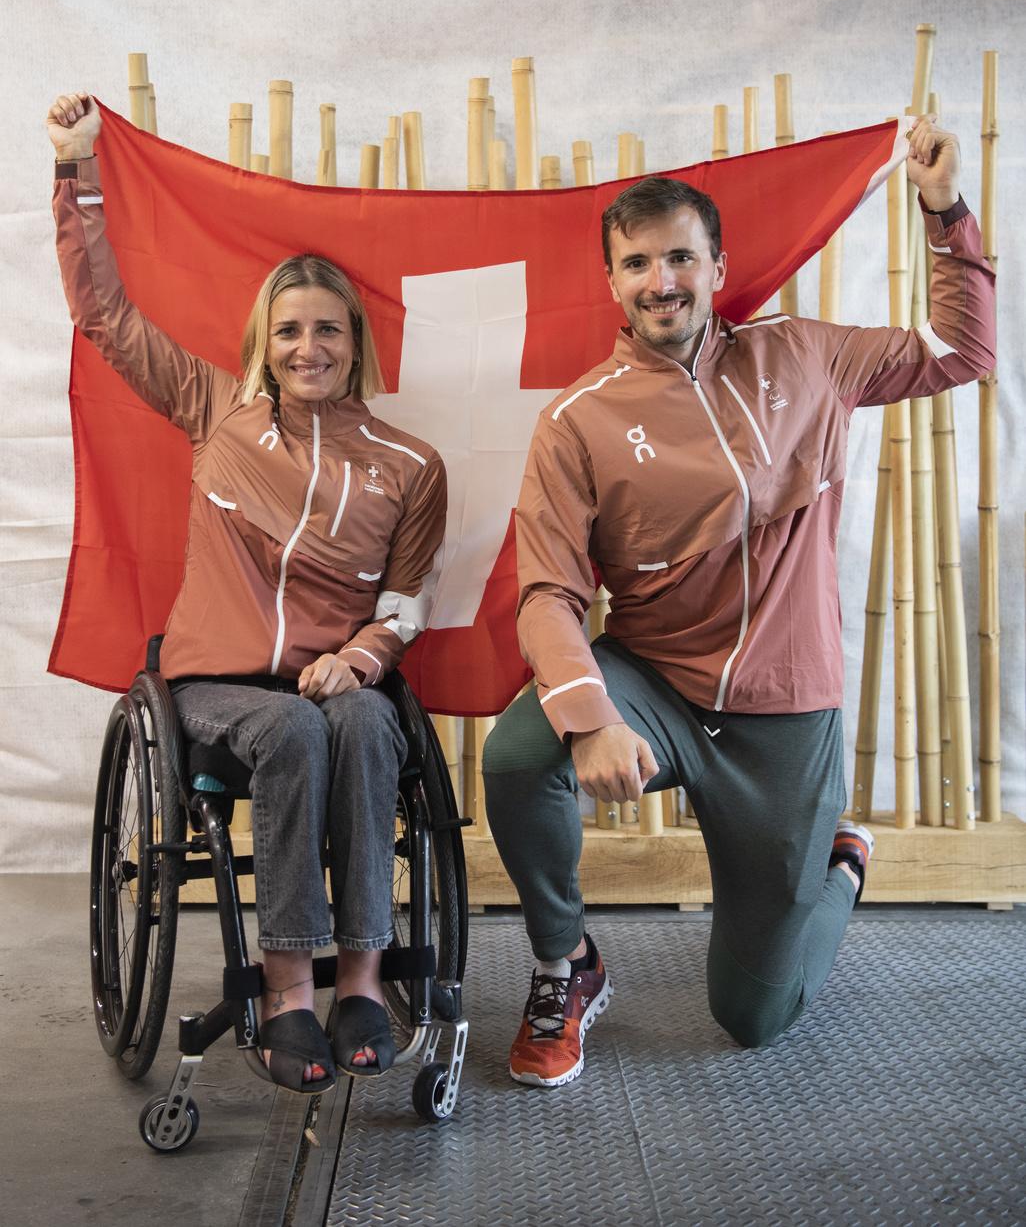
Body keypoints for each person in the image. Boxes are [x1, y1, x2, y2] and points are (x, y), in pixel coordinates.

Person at [482, 117, 995, 1087]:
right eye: (637, 262)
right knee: (519, 754)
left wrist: (944, 209)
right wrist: (591, 721)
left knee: (755, 1015)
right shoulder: (576, 419)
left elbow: (961, 349)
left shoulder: (804, 356)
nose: (660, 279)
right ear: (613, 282)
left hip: (784, 715)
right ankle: (565, 964)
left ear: (718, 265)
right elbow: (547, 593)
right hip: (657, 686)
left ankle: (837, 863)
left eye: (680, 255)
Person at [48, 92, 447, 1095]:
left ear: (356, 338)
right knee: (295, 733)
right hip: (219, 691)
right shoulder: (215, 409)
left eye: (327, 330)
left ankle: (360, 975)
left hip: (340, 683)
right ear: (263, 341)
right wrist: (76, 173)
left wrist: (357, 656)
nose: (307, 348)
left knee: (356, 722)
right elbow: (103, 314)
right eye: (287, 332)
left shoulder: (411, 462)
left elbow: (405, 603)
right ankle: (288, 990)